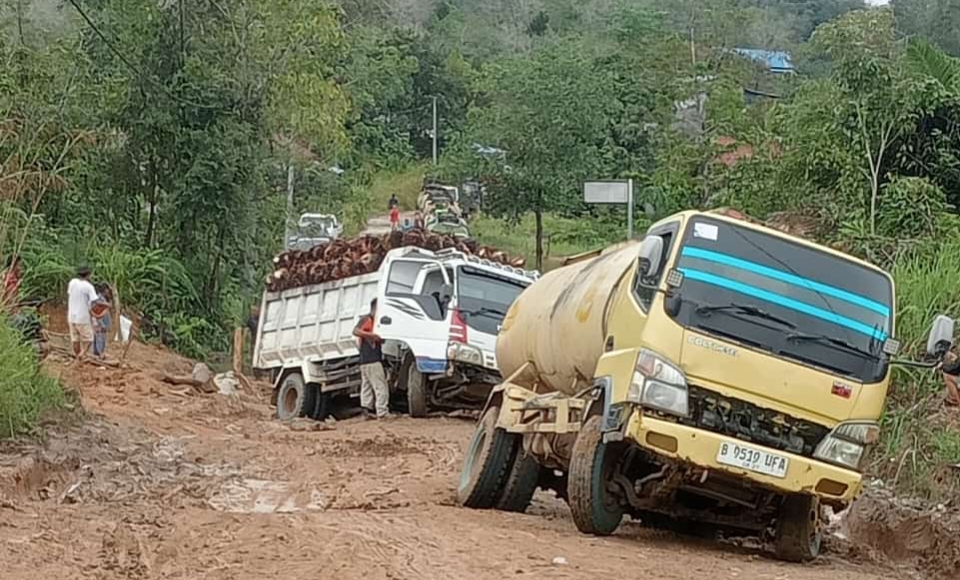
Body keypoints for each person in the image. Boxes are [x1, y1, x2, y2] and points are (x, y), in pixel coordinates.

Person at [353, 298, 391, 420]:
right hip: (372, 359)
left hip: (364, 360)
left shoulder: (375, 322)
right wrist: (372, 336)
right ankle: (382, 412)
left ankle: (366, 411)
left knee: (367, 386)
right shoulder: (367, 320)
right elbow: (355, 331)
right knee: (380, 386)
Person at [67, 265, 98, 362]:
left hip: (71, 315)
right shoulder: (89, 287)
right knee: (89, 338)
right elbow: (94, 302)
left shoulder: (72, 282)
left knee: (75, 338)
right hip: (83, 316)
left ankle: (77, 357)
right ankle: (82, 354)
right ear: (88, 275)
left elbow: (69, 294)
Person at [91, 283, 113, 359]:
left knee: (99, 336)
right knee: (100, 337)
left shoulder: (103, 298)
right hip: (100, 321)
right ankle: (100, 353)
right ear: (105, 290)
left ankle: (97, 353)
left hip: (100, 320)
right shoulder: (99, 298)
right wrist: (101, 323)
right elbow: (97, 309)